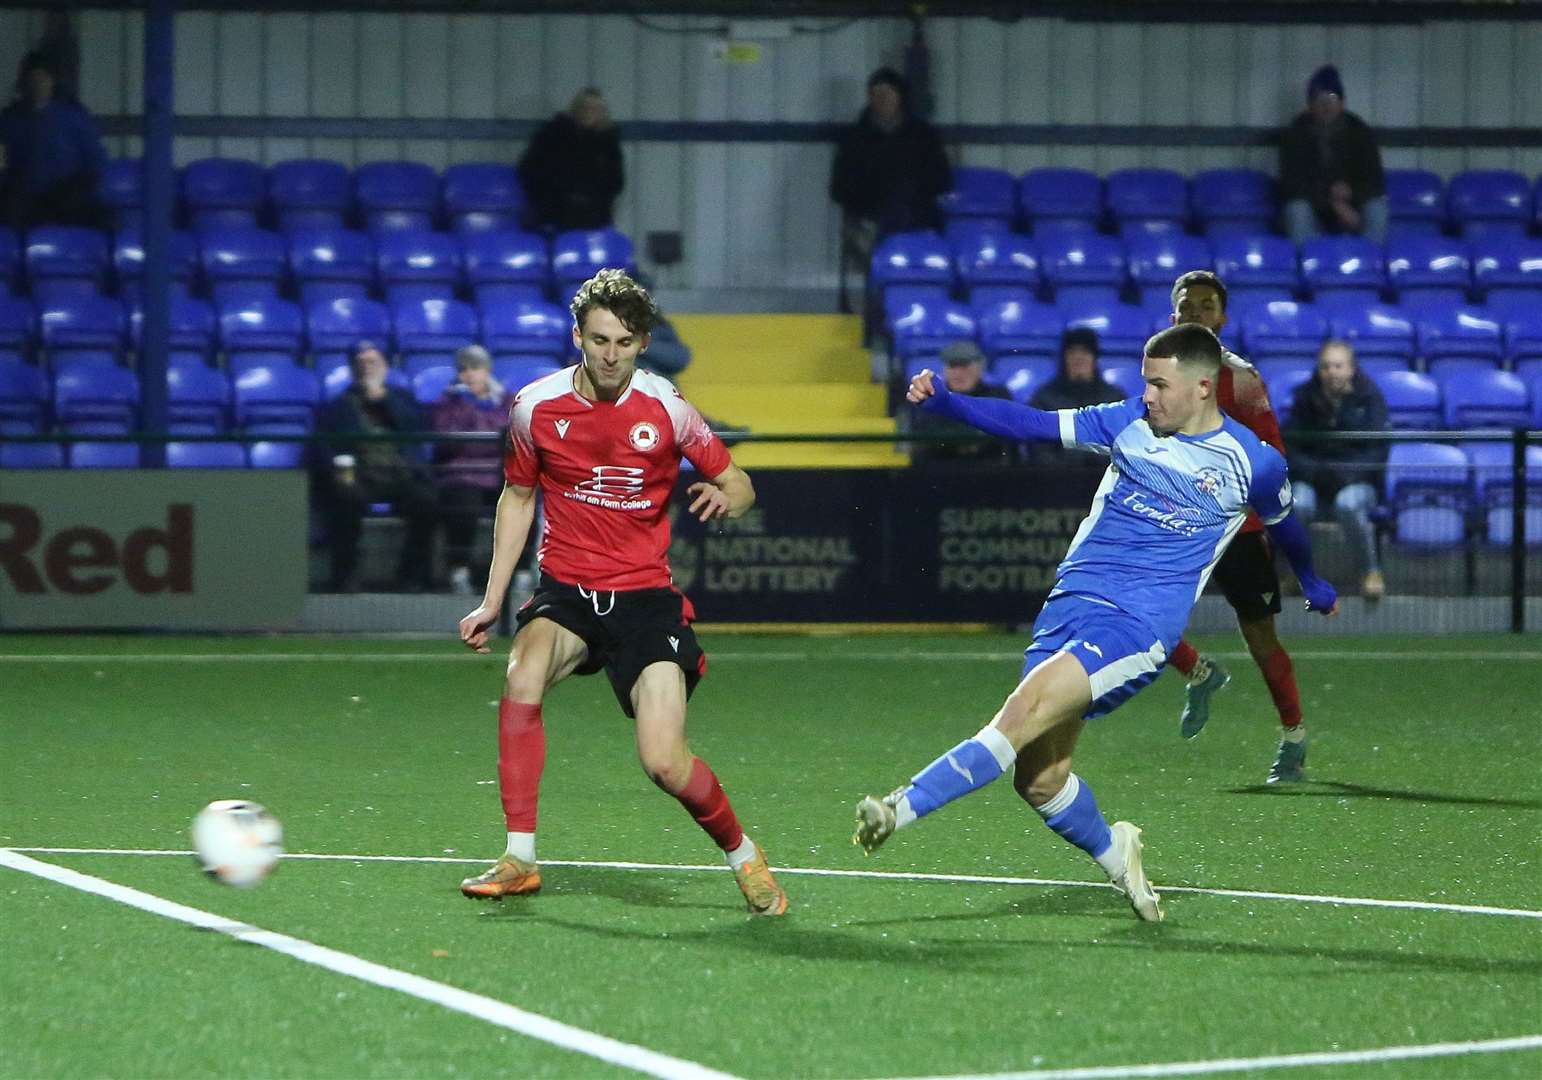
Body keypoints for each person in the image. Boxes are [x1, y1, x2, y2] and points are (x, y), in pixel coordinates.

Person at [853, 324, 1337, 922]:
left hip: (1136, 624)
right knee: (1040, 780)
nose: (1149, 395)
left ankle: (899, 809)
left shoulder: (1251, 462)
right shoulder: (1126, 421)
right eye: (1145, 383)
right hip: (1070, 604)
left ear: (1204, 388)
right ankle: (1118, 855)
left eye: (1160, 384)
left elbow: (1284, 522)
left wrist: (1311, 578)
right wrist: (948, 403)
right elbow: (1031, 424)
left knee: (1020, 713)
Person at [455, 269, 788, 916]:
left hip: (644, 598)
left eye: (625, 342)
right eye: (599, 339)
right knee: (521, 674)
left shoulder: (668, 408)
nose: (610, 355)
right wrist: (493, 600)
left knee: (663, 762)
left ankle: (742, 852)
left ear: (642, 343)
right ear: (577, 335)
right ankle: (519, 857)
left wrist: (731, 497)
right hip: (567, 591)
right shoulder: (534, 407)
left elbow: (741, 483)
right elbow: (518, 495)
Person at [1160, 271, 1315, 783]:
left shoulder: (1241, 378)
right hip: (1180, 523)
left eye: (1208, 305)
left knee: (1260, 635)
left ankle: (1293, 737)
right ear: (1174, 315)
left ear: (1222, 317)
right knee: (1138, 616)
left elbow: (1273, 452)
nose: (1198, 312)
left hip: (1238, 528)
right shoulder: (1159, 374)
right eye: (1189, 305)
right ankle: (1199, 672)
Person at [314, 340, 438, 593]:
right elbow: (322, 446)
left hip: (401, 473)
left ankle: (411, 576)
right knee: (344, 501)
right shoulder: (338, 406)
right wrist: (338, 472)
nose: (367, 368)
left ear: (384, 366)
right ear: (352, 369)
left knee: (427, 501)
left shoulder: (401, 398)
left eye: (372, 362)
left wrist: (384, 400)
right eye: (361, 364)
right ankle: (346, 576)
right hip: (360, 476)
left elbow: (418, 425)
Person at [830, 67, 951, 314]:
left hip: (917, 220)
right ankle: (873, 317)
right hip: (869, 220)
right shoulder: (854, 139)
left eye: (887, 93)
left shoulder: (923, 136)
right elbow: (838, 188)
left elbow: (942, 180)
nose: (881, 99)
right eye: (875, 94)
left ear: (900, 97)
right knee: (867, 251)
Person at [1286, 339, 1389, 600]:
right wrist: (1316, 473)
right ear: (1319, 370)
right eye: (1326, 366)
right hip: (1314, 478)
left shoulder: (1370, 400)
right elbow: (1290, 447)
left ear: (1351, 369)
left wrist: (1344, 474)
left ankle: (1370, 572)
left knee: (1348, 504)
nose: (1332, 372)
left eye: (1338, 366)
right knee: (1296, 503)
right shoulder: (1304, 398)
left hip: (1356, 480)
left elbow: (1378, 451)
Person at [431, 345, 515, 596]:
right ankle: (459, 570)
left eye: (475, 368)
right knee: (463, 504)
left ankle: (519, 571)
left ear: (487, 370)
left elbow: (512, 435)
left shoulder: (507, 400)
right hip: (462, 472)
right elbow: (447, 440)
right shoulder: (447, 403)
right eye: (463, 370)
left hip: (500, 471)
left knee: (523, 496)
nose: (469, 375)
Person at [1279, 64, 1387, 245]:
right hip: (1314, 209)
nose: (1326, 105)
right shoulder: (1296, 133)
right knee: (1296, 210)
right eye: (1319, 99)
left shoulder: (1359, 131)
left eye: (1332, 98)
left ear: (1342, 102)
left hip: (1353, 209)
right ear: (1310, 104)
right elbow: (1291, 185)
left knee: (1377, 209)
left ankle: (1371, 264)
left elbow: (1375, 180)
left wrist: (1351, 194)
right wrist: (1332, 202)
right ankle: (1308, 264)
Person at [0, 50, 106, 231]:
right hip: (25, 198)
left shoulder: (74, 117)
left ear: (53, 81)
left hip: (66, 197)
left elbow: (95, 164)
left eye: (43, 78)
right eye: (32, 78)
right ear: (24, 82)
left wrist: (73, 190)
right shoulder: (9, 120)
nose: (37, 84)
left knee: (104, 217)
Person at [517, 88, 623, 231]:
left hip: (595, 214)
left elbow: (616, 182)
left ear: (602, 113)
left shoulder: (609, 143)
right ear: (575, 109)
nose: (589, 113)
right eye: (585, 108)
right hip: (556, 211)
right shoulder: (553, 135)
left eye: (595, 109)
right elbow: (530, 170)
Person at [1027, 327, 1125, 466]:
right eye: (1072, 352)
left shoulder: (1114, 399)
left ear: (1094, 358)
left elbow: (1122, 445)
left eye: (1085, 352)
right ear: (1064, 358)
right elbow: (1038, 449)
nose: (1078, 358)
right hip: (1055, 480)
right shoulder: (1044, 398)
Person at [911, 339, 1015, 464]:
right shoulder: (929, 397)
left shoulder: (998, 395)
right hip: (940, 470)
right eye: (953, 366)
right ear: (944, 369)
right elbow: (927, 434)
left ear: (980, 367)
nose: (958, 374)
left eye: (965, 366)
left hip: (989, 469)